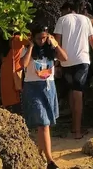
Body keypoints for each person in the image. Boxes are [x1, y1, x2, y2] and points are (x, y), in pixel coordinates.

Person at [54, 0, 93, 140]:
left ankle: (73, 127)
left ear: (69, 9)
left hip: (65, 62)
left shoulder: (62, 20)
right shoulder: (86, 20)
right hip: (81, 62)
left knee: (72, 91)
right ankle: (77, 131)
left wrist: (56, 63)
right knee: (78, 94)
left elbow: (56, 43)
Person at [21, 23, 68, 169]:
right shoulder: (27, 49)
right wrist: (30, 47)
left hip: (49, 88)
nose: (42, 41)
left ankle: (39, 152)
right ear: (33, 38)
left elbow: (64, 58)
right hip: (33, 89)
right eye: (39, 38)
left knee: (45, 124)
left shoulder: (50, 50)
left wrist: (55, 45)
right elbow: (22, 64)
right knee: (44, 124)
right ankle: (50, 161)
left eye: (44, 37)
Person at [0, 30, 30, 112]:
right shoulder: (16, 40)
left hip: (7, 75)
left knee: (10, 101)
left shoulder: (8, 47)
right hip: (15, 76)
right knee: (17, 102)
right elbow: (33, 39)